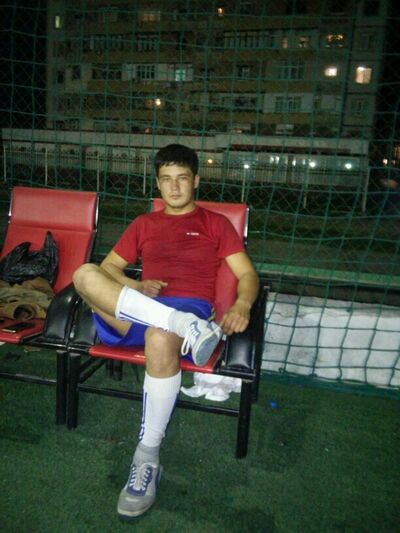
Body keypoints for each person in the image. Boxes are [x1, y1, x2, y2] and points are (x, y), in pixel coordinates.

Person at [73, 144, 260, 519]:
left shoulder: (215, 224)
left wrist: (242, 304)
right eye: (166, 180)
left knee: (159, 337)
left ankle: (146, 458)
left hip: (189, 308)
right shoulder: (144, 223)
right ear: (157, 184)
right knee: (83, 274)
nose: (174, 187)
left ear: (196, 181)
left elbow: (247, 274)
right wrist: (137, 286)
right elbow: (108, 268)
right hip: (141, 311)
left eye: (182, 179)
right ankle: (180, 325)